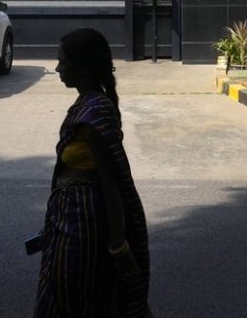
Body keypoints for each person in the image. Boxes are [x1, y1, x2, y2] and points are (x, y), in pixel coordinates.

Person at [35, 28, 151, 316]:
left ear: (84, 67)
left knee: (72, 298)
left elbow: (112, 184)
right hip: (67, 219)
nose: (58, 69)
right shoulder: (86, 105)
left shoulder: (95, 113)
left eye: (63, 62)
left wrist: (118, 246)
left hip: (83, 226)